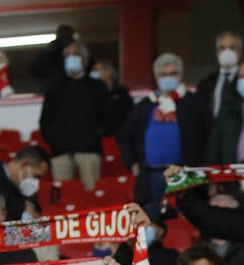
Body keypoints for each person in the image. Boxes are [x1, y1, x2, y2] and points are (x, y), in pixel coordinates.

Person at [120, 53, 208, 209]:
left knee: (184, 220)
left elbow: (207, 137)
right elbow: (125, 135)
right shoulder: (145, 105)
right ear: (156, 77)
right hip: (149, 176)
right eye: (163, 74)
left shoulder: (194, 102)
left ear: (181, 75)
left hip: (184, 176)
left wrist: (197, 169)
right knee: (150, 221)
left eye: (173, 73)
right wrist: (132, 164)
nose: (168, 77)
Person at [39, 41, 112, 188]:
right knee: (65, 196)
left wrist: (97, 134)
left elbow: (109, 115)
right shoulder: (55, 88)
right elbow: (45, 119)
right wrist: (52, 139)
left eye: (76, 54)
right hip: (60, 152)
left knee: (92, 195)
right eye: (68, 55)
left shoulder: (97, 86)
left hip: (89, 150)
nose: (71, 58)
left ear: (85, 59)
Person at [196, 31, 244, 120]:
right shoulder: (204, 84)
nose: (227, 52)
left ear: (240, 52)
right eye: (222, 48)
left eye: (232, 48)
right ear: (217, 53)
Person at [90, 60, 132, 137]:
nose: (92, 73)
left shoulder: (122, 96)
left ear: (108, 72)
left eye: (96, 70)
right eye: (92, 70)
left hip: (118, 140)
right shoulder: (93, 96)